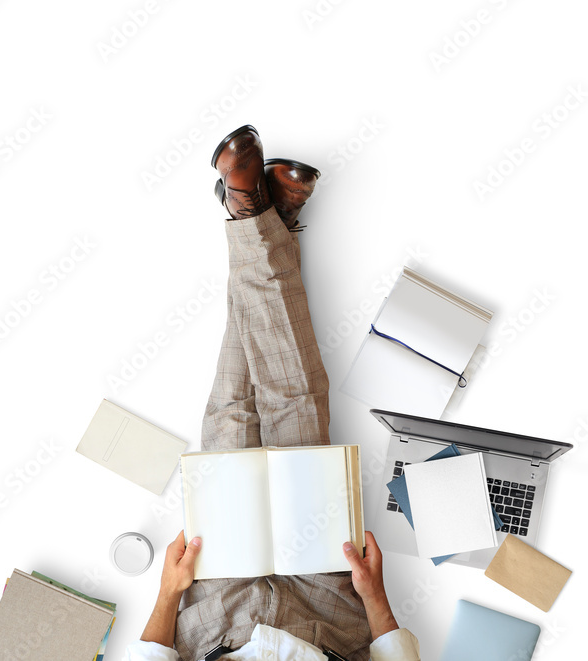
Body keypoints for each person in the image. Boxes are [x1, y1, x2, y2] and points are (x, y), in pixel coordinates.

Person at [123, 126, 421, 661]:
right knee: (297, 403)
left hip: (221, 616)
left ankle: (264, 218)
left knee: (231, 417)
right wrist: (375, 594)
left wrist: (169, 591)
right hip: (324, 612)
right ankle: (260, 215)